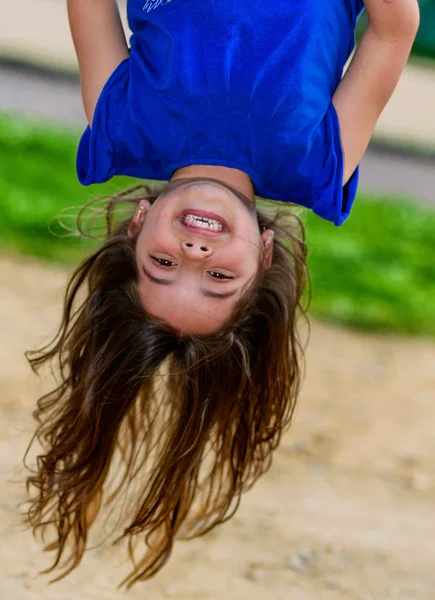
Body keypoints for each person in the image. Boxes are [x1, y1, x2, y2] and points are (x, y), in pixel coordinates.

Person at [24, 0, 419, 588]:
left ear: (136, 225)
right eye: (218, 279)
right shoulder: (317, 167)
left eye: (161, 264)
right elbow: (392, 31)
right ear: (262, 258)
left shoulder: (120, 128)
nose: (194, 256)